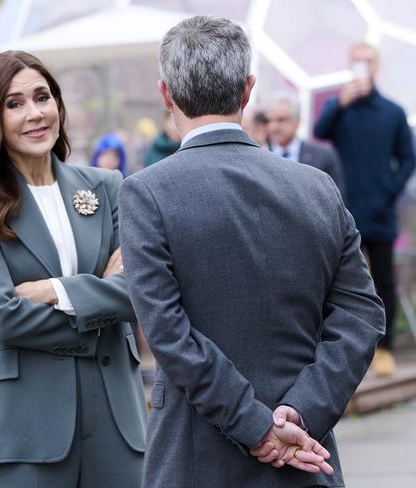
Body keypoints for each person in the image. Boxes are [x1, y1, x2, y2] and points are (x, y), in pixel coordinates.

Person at [119, 16, 385, 488]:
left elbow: (167, 332)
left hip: (195, 455)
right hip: (308, 455)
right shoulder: (316, 188)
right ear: (248, 91)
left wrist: (257, 425)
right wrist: (303, 408)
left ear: (166, 95)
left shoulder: (147, 192)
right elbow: (362, 315)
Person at [0, 50, 146, 488]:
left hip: (115, 417)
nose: (34, 113)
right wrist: (101, 295)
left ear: (58, 103)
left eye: (43, 97)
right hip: (22, 421)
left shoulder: (107, 187)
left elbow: (140, 291)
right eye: (14, 103)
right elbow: (2, 316)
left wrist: (58, 291)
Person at [314, 42, 415, 376]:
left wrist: (389, 190)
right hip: (346, 210)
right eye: (356, 61)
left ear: (376, 66)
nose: (361, 66)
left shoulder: (393, 112)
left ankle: (384, 350)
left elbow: (408, 156)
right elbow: (319, 132)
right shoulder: (340, 109)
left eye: (367, 61)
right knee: (343, 283)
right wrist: (340, 103)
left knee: (383, 280)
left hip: (381, 212)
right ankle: (345, 352)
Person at [266, 92, 346, 195]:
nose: (273, 127)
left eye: (281, 120)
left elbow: (337, 201)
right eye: (269, 121)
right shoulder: (259, 155)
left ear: (297, 121)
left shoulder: (324, 156)